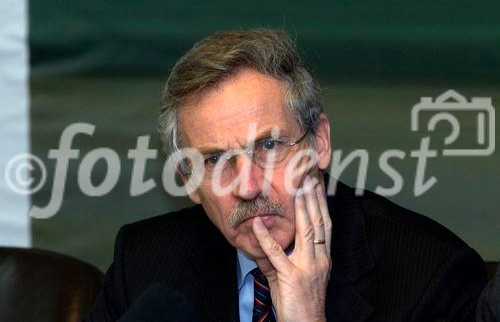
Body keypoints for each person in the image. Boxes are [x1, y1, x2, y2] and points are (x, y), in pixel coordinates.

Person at [85, 29, 487, 322]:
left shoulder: (430, 276)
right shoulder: (143, 263)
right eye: (214, 161)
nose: (246, 186)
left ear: (319, 143)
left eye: (270, 146)